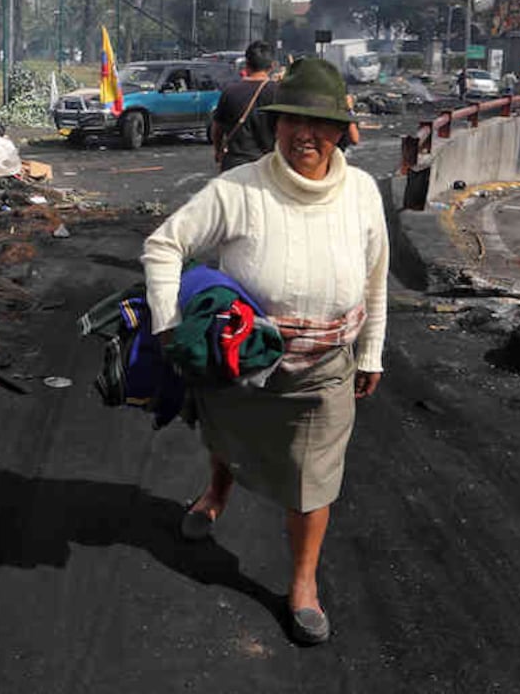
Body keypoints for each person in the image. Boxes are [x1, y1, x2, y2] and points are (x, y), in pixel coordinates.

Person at [141, 58, 388, 646]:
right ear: (275, 125)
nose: (306, 133)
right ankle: (216, 492)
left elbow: (377, 277)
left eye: (320, 122)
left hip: (323, 370)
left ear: (341, 130)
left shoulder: (361, 194)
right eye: (292, 120)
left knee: (314, 477)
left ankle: (303, 584)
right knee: (227, 435)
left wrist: (372, 351)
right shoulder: (239, 190)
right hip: (240, 359)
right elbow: (163, 244)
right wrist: (168, 324)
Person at [211, 41, 278, 172]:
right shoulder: (278, 92)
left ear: (246, 64)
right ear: (272, 66)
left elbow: (217, 129)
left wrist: (218, 150)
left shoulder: (230, 92)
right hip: (266, 166)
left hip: (235, 165)